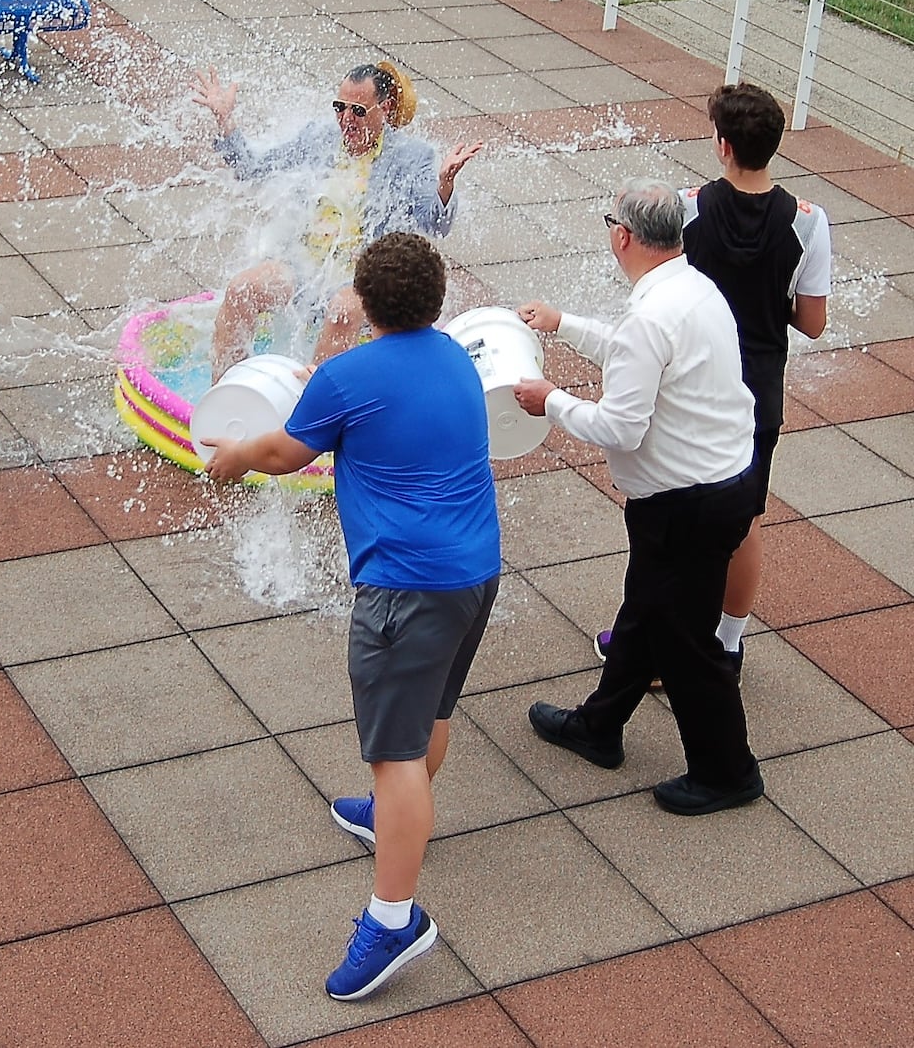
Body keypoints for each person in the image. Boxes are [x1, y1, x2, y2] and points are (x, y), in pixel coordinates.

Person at [203, 233, 500, 1002]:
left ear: (363, 304)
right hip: (474, 572)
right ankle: (391, 816)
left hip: (406, 589)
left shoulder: (350, 375)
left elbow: (283, 454)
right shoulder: (456, 358)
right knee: (432, 709)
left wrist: (233, 456)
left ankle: (395, 919)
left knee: (393, 753)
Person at [513, 178, 764, 817]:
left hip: (683, 503)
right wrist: (564, 324)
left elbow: (621, 425)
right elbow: (635, 350)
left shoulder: (651, 315)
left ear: (622, 235)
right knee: (648, 611)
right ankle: (598, 727)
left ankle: (727, 773)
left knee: (686, 643)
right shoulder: (694, 287)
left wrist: (552, 402)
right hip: (726, 482)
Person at [593, 83, 831, 673]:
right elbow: (814, 322)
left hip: (693, 373)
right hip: (759, 386)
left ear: (722, 145)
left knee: (672, 518)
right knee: (745, 517)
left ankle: (651, 639)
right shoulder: (809, 221)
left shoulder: (691, 207)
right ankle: (726, 640)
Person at [191, 61, 483, 378]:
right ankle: (224, 398)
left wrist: (444, 184)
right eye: (339, 108)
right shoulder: (318, 138)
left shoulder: (411, 156)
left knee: (342, 313)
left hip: (363, 276)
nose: (346, 120)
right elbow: (253, 167)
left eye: (358, 110)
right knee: (240, 290)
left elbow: (434, 224)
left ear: (384, 108)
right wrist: (225, 121)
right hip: (306, 266)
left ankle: (313, 416)